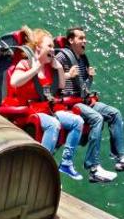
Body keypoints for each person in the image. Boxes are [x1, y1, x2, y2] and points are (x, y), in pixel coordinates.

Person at [55, 27, 124, 181]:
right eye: (80, 38)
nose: (84, 41)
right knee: (97, 118)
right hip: (69, 104)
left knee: (114, 113)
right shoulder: (61, 57)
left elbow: (84, 87)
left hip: (84, 101)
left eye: (85, 38)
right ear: (71, 40)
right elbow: (53, 80)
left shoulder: (83, 59)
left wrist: (90, 78)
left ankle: (120, 159)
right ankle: (93, 168)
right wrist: (67, 75)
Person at [7, 26, 86, 180]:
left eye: (53, 46)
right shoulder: (26, 64)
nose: (53, 50)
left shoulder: (50, 67)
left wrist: (60, 69)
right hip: (28, 110)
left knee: (78, 121)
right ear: (38, 47)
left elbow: (61, 85)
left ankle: (66, 163)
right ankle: (40, 168)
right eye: (49, 46)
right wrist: (34, 70)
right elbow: (14, 81)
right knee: (53, 124)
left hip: (45, 108)